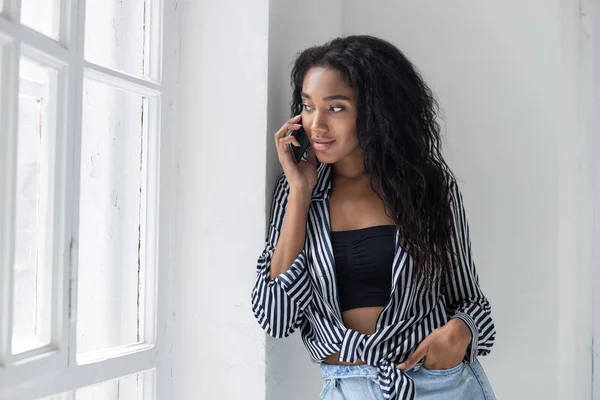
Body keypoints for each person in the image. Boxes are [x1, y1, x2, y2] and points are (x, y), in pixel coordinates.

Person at [251, 35, 496, 400]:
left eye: (335, 108)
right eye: (307, 106)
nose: (317, 125)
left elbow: (470, 300)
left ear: (376, 110)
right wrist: (300, 194)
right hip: (347, 388)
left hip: (438, 386)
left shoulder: (426, 187)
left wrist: (460, 331)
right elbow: (275, 318)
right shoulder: (296, 192)